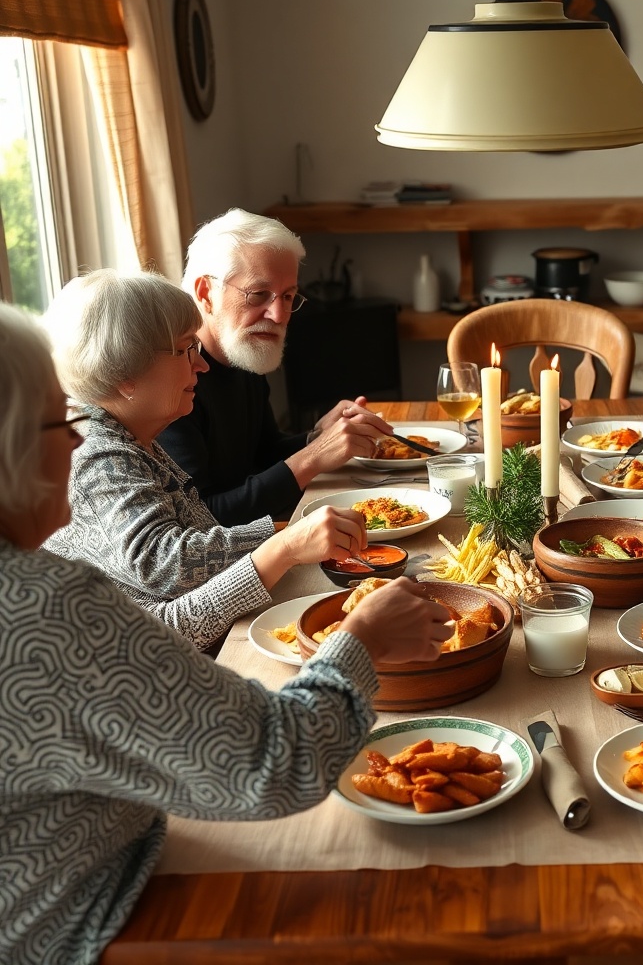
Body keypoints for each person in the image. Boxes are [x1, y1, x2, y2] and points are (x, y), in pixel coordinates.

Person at [0, 302, 453, 965]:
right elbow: (282, 762)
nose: (75, 439)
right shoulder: (42, 607)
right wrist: (360, 639)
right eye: (56, 418)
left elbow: (137, 647)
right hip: (77, 925)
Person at [42, 269, 377, 652]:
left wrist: (295, 535)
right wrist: (284, 543)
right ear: (124, 372)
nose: (201, 365)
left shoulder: (129, 436)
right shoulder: (95, 457)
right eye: (186, 349)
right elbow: (171, 578)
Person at [158, 208, 391, 526]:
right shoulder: (170, 381)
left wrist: (318, 437)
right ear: (205, 293)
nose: (279, 315)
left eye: (288, 296)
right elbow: (205, 517)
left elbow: (262, 453)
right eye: (258, 295)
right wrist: (313, 455)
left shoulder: (240, 353)